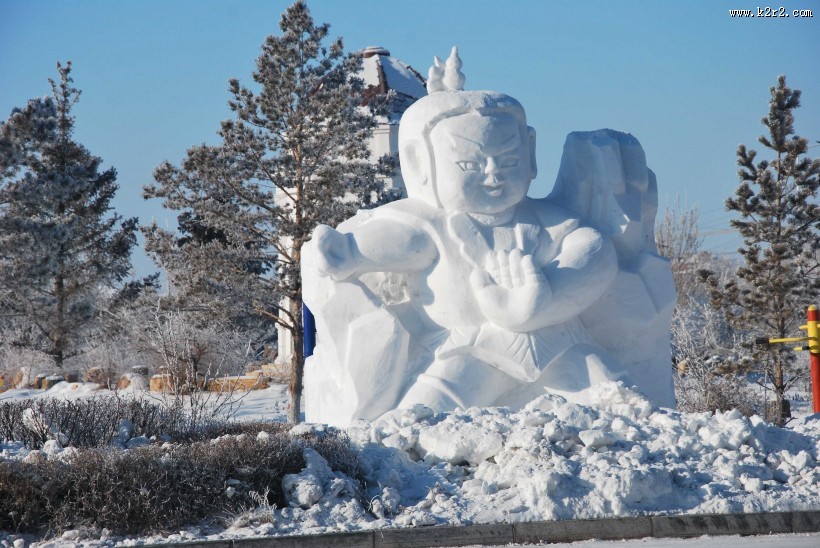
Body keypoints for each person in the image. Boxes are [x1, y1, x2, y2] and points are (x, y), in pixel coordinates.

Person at [305, 51, 624, 411]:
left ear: (530, 151)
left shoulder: (548, 221)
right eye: (470, 163)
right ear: (419, 162)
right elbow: (403, 241)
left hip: (561, 345)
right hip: (471, 352)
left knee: (615, 399)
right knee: (421, 417)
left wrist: (546, 300)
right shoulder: (431, 224)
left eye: (508, 161)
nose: (493, 174)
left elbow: (595, 253)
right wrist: (350, 252)